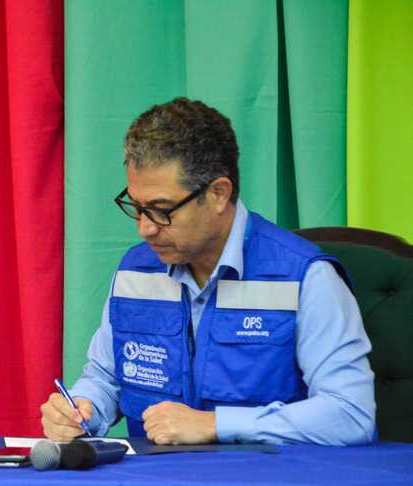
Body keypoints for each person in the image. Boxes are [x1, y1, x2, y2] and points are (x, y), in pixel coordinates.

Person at [41, 98, 375, 446]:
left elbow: (351, 414)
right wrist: (81, 409)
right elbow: (105, 378)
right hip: (153, 476)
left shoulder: (306, 277)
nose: (144, 228)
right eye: (137, 207)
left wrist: (216, 424)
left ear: (218, 194)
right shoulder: (135, 272)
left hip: (267, 477)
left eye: (161, 210)